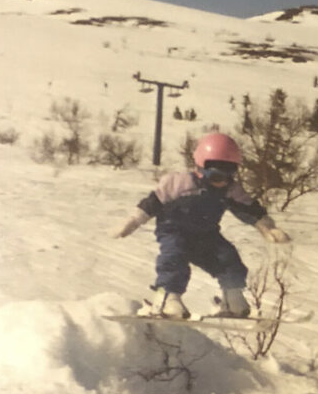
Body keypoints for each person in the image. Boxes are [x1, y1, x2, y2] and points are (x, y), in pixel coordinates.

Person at [112, 133, 290, 318]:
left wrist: (266, 227)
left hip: (206, 234)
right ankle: (167, 299)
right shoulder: (178, 183)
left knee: (228, 258)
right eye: (216, 176)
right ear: (201, 168)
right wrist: (132, 222)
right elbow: (151, 203)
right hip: (174, 231)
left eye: (228, 177)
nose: (221, 183)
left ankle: (232, 298)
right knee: (174, 258)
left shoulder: (229, 190)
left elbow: (248, 209)